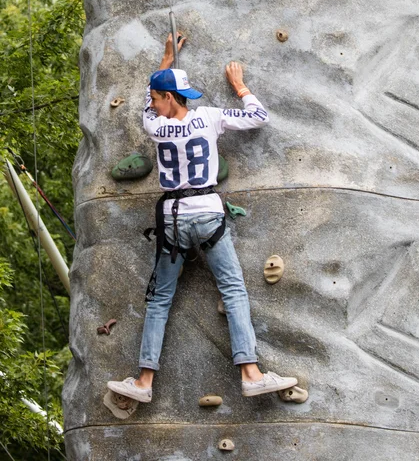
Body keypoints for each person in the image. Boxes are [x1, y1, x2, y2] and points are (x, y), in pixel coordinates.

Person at [107, 33, 298, 402]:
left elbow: (148, 101)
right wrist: (240, 86)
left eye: (158, 97)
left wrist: (164, 59)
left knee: (161, 299)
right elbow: (259, 116)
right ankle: (251, 374)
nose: (154, 101)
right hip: (208, 214)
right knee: (233, 289)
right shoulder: (209, 117)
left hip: (173, 220)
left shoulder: (155, 126)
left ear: (165, 99)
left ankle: (144, 383)